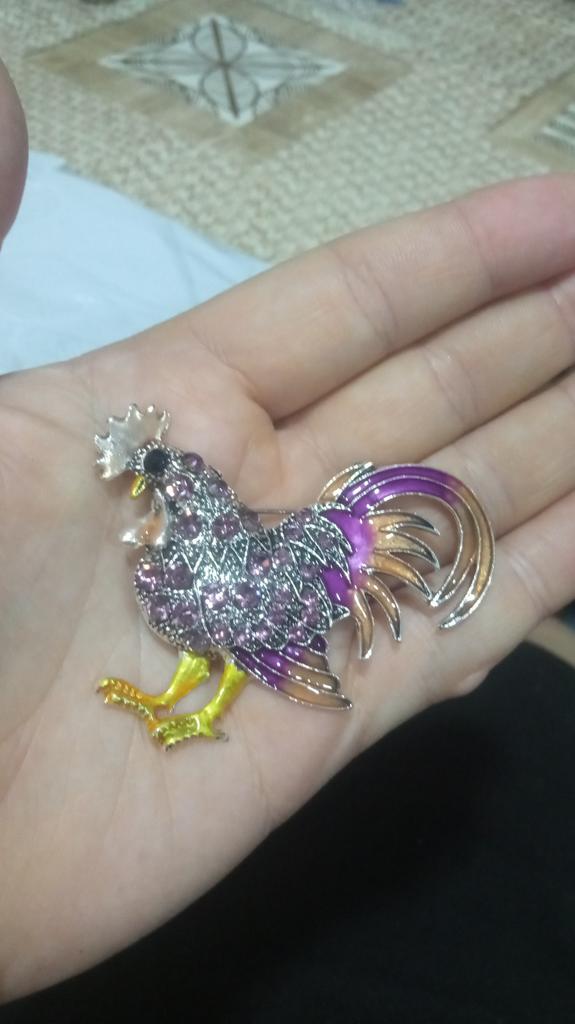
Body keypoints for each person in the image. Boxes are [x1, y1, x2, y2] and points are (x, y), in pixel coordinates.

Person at [0, 58, 574, 1009]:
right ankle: (181, 703)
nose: (144, 492)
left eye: (154, 478)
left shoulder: (205, 557)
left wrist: (195, 711)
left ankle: (195, 709)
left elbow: (235, 646)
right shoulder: (170, 555)